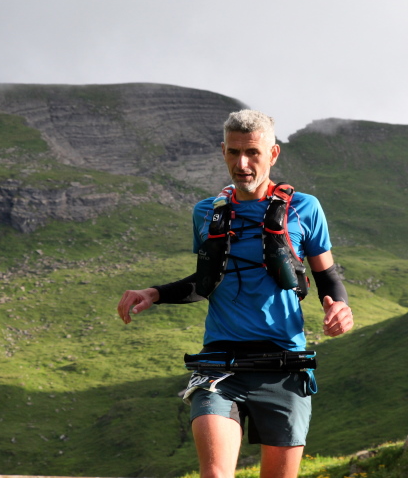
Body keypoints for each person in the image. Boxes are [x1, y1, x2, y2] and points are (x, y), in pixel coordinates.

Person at [117, 109, 353, 478]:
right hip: (219, 365)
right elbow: (209, 280)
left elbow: (327, 276)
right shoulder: (206, 213)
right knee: (215, 474)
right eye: (233, 152)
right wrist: (155, 293)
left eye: (252, 153)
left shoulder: (305, 208)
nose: (242, 164)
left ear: (272, 153)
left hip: (283, 365)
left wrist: (340, 307)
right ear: (223, 151)